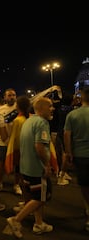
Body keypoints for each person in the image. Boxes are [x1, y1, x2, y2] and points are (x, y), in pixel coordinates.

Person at [6, 97, 55, 238]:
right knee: (41, 198)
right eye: (50, 106)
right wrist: (47, 165)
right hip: (36, 169)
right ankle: (16, 220)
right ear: (41, 108)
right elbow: (39, 147)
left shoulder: (28, 121)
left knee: (35, 197)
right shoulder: (42, 123)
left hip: (26, 168)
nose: (53, 108)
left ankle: (38, 224)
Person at [63, 87, 89, 232]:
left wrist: (68, 152)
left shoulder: (73, 115)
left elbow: (67, 135)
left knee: (85, 185)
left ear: (82, 98)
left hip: (81, 154)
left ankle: (88, 209)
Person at [4, 95, 31, 212]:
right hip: (28, 152)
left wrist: (10, 154)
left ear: (17, 106)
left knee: (22, 179)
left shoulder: (17, 120)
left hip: (19, 152)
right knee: (27, 179)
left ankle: (27, 203)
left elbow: (14, 139)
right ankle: (27, 202)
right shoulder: (30, 118)